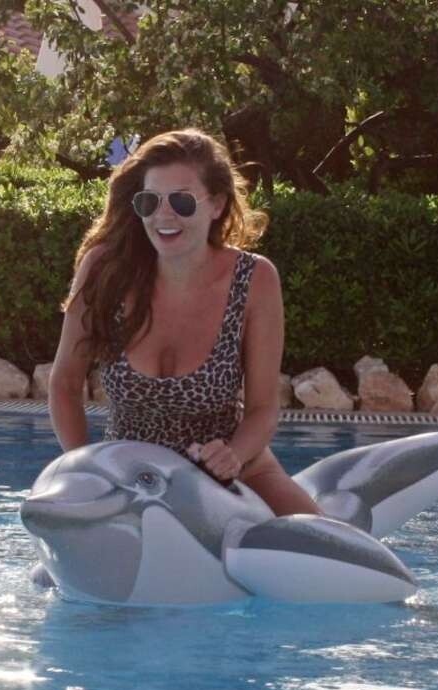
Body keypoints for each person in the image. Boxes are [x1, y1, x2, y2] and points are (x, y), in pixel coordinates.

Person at [48, 128, 321, 517]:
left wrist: (232, 456)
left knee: (330, 543)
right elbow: (64, 384)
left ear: (217, 204)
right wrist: (88, 471)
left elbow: (262, 410)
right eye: (149, 201)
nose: (163, 215)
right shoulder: (105, 270)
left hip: (233, 473)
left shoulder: (255, 279)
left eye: (181, 201)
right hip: (130, 475)